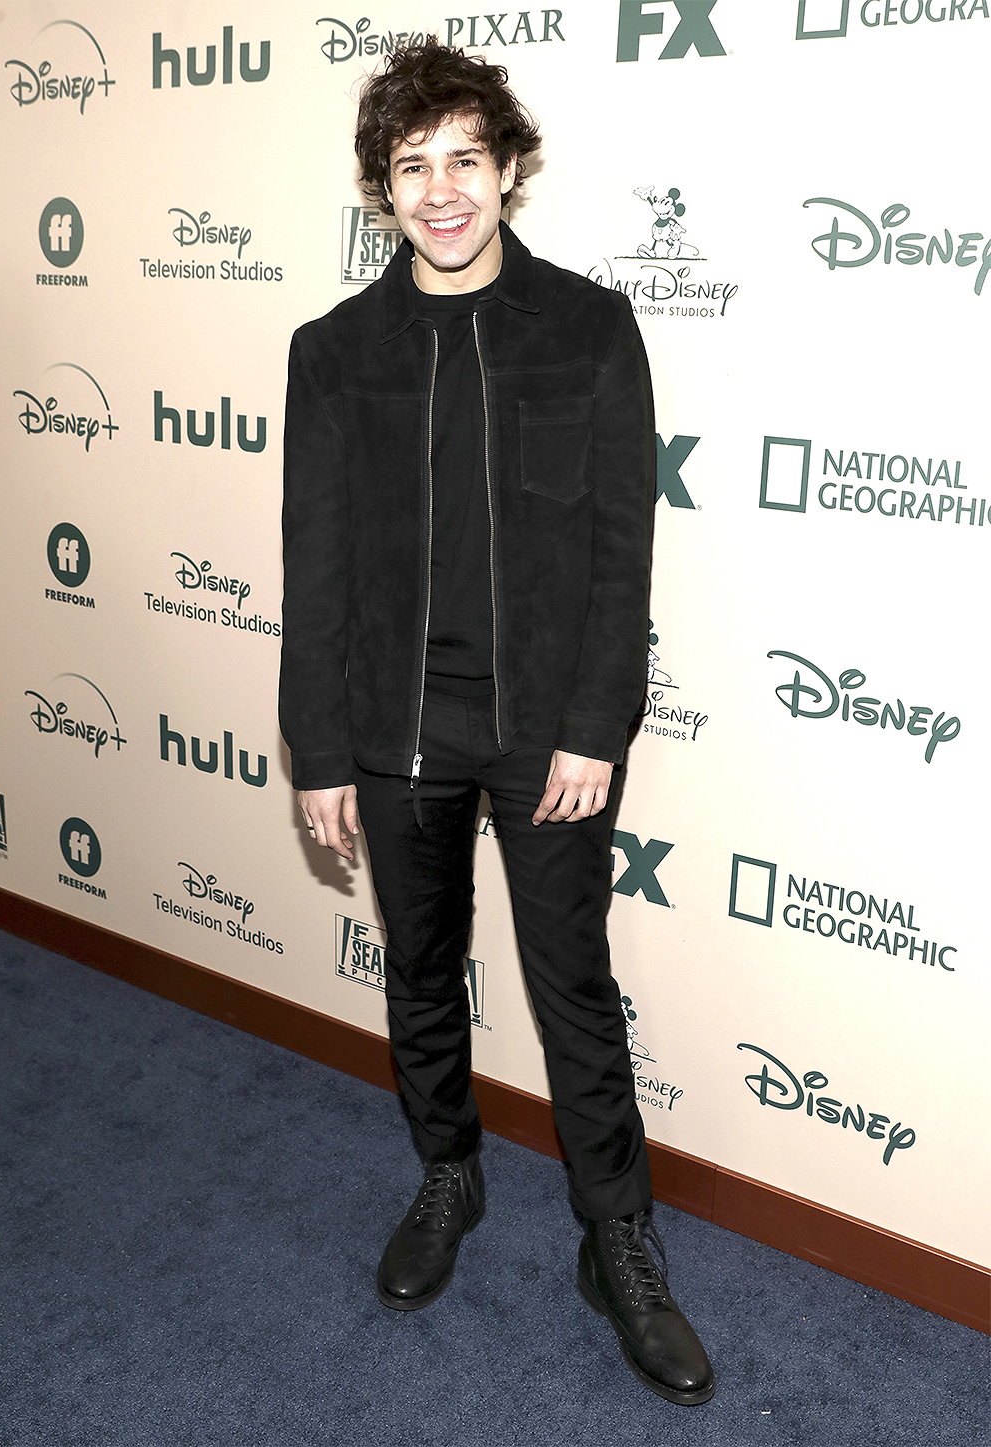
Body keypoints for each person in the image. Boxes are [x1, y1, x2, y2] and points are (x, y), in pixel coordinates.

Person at [279, 38, 714, 1406]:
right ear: (384, 191)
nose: (440, 189)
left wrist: (595, 726)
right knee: (421, 971)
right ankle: (448, 1176)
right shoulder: (334, 354)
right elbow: (319, 565)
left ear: (510, 170)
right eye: (412, 166)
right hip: (393, 731)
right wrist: (321, 747)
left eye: (465, 157)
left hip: (545, 740)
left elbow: (614, 552)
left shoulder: (588, 328)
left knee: (574, 988)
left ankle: (617, 1241)